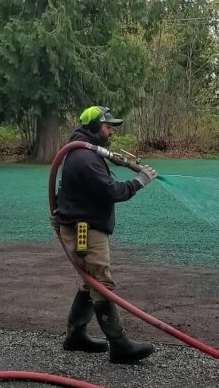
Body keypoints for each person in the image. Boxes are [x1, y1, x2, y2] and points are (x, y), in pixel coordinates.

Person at [55, 105, 158, 364]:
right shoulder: (84, 158)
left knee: (90, 283)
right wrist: (139, 182)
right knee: (102, 283)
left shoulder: (84, 153)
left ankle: (75, 336)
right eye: (107, 126)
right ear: (92, 127)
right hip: (85, 230)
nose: (111, 131)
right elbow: (111, 191)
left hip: (81, 226)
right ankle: (120, 344)